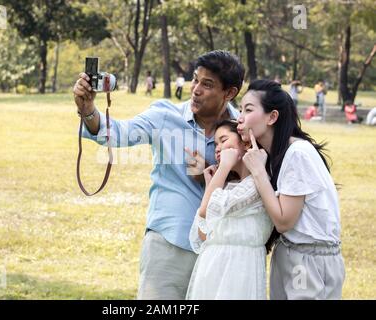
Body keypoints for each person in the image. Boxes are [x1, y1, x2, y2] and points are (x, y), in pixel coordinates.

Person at [73, 50, 245, 299]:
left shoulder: (243, 128)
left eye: (207, 85)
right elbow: (117, 133)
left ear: (230, 93)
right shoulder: (165, 116)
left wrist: (213, 171)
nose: (196, 89)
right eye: (195, 80)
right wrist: (88, 110)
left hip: (222, 250)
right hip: (169, 244)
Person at [238, 79, 345, 300]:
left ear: (272, 117)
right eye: (240, 109)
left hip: (308, 261)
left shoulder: (297, 153)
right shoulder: (273, 155)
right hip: (289, 254)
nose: (240, 117)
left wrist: (258, 172)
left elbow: (284, 221)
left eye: (248, 110)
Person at [186, 120, 273, 300]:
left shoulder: (256, 185)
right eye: (216, 144)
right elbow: (202, 234)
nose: (218, 148)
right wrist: (213, 182)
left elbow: (206, 211)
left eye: (224, 140)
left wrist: (223, 168)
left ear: (245, 142)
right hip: (211, 270)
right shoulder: (228, 187)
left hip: (237, 272)